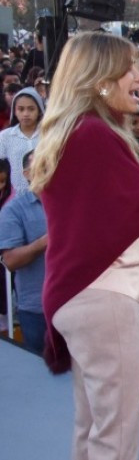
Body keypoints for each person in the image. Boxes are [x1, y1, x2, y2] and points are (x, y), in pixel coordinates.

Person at [32, 32, 139, 460]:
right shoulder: (93, 136)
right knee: (116, 439)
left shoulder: (78, 132)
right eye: (131, 69)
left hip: (85, 297)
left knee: (93, 430)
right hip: (104, 300)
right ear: (102, 80)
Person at [0, 150, 47, 353]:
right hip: (37, 309)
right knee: (40, 373)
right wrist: (45, 242)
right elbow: (10, 260)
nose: (49, 170)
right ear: (26, 173)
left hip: (78, 305)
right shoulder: (14, 210)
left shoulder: (75, 205)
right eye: (41, 166)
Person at [0, 86, 43, 194]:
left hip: (44, 193)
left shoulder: (48, 134)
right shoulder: (6, 136)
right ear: (14, 111)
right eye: (21, 109)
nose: (26, 114)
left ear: (39, 110)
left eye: (31, 109)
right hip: (17, 194)